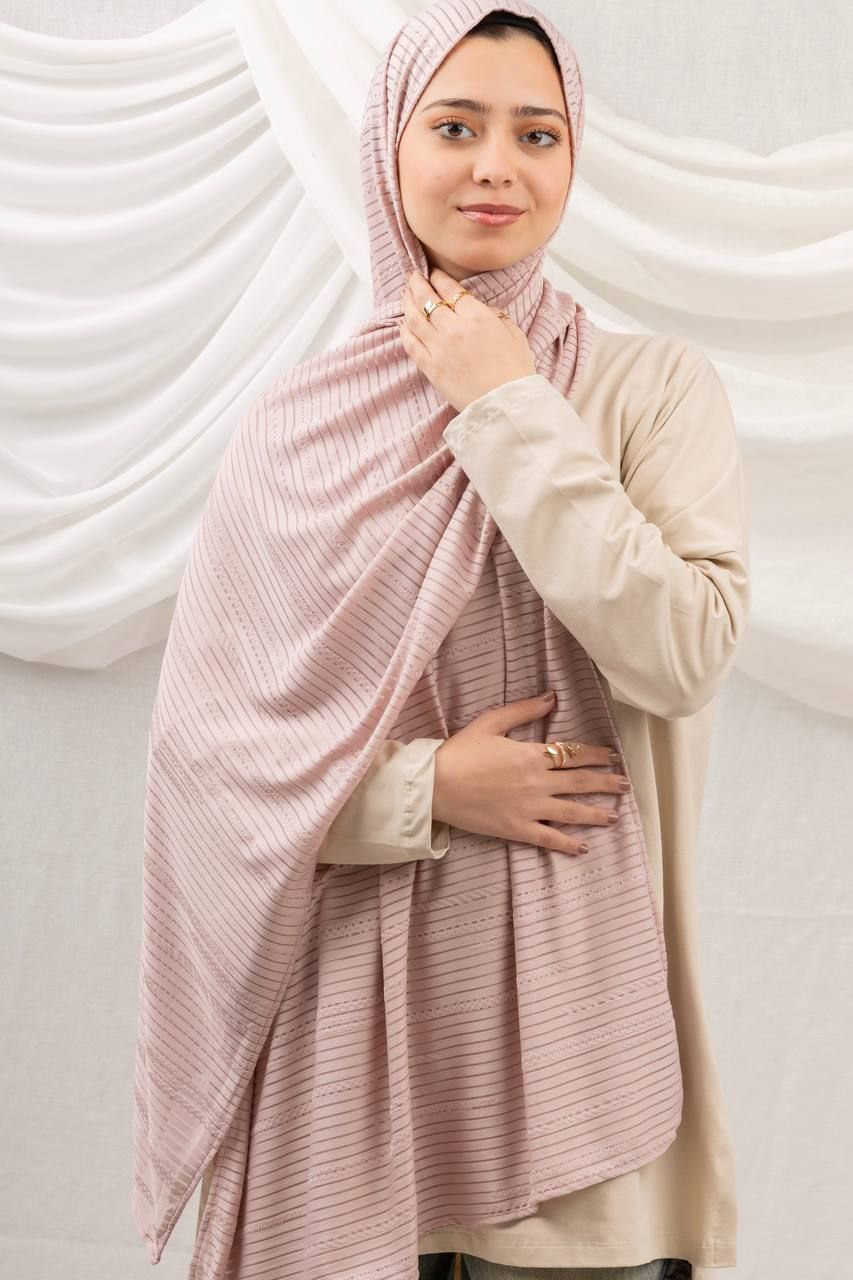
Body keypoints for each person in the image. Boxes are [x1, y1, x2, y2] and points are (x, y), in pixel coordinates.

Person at [137, 3, 749, 1279]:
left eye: (538, 133)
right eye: (455, 126)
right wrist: (427, 787)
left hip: (578, 1102)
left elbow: (683, 650)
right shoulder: (296, 432)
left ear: (573, 158)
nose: (495, 167)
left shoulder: (647, 389)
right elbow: (207, 772)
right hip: (340, 1084)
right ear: (388, 146)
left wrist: (506, 401)